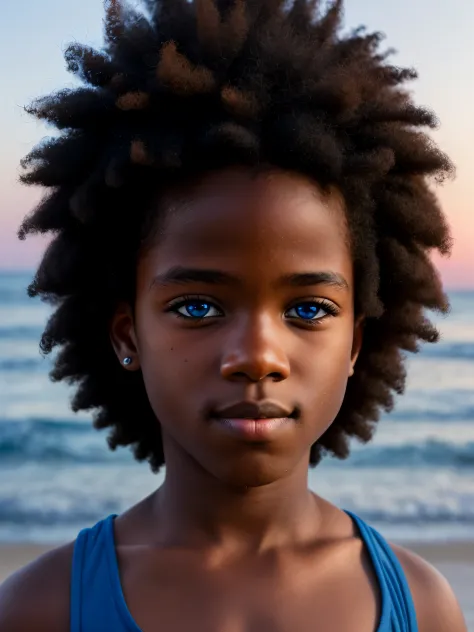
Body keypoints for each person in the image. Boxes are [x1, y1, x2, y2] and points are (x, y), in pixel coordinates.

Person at [0, 0, 467, 630]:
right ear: (126, 333)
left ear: (356, 344)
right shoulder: (40, 609)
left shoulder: (422, 605)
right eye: (198, 305)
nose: (257, 355)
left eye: (308, 308)